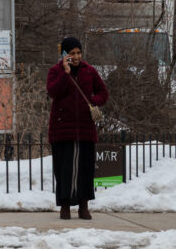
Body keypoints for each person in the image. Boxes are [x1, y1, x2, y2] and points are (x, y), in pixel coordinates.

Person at [47, 36, 109, 220]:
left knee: (85, 169)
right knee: (63, 169)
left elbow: (103, 93)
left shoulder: (89, 71)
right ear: (65, 54)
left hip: (85, 129)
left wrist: (92, 102)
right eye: (72, 53)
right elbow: (53, 92)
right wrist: (65, 73)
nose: (76, 56)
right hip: (62, 129)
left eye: (79, 52)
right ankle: (64, 206)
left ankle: (84, 205)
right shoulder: (55, 71)